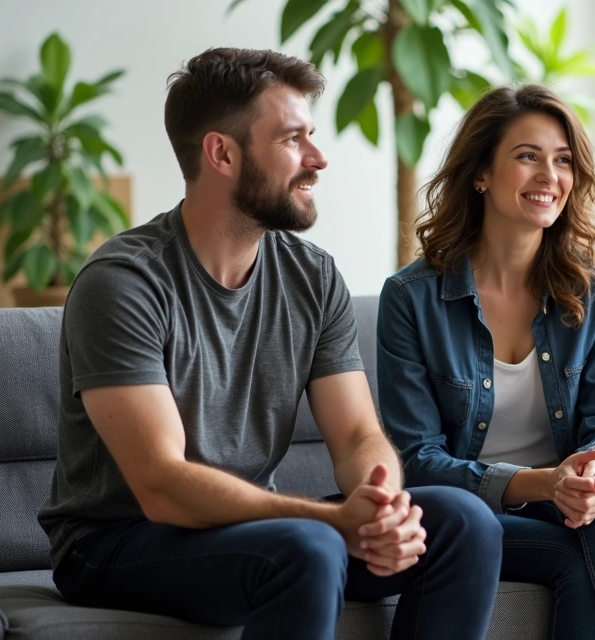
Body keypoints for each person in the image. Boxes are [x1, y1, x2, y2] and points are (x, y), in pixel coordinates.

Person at [37, 48, 502, 640]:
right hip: (115, 540)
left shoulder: (312, 275)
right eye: (291, 140)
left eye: (312, 135)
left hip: (247, 527)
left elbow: (359, 434)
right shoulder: (123, 283)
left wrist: (380, 504)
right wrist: (333, 520)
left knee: (465, 521)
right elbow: (161, 484)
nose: (318, 158)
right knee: (308, 546)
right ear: (222, 153)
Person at [377, 84, 595, 639]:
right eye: (528, 156)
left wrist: (590, 477)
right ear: (481, 173)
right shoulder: (411, 298)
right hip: (469, 517)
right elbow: (418, 459)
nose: (549, 177)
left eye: (563, 161)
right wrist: (545, 483)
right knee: (585, 554)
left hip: (571, 504)